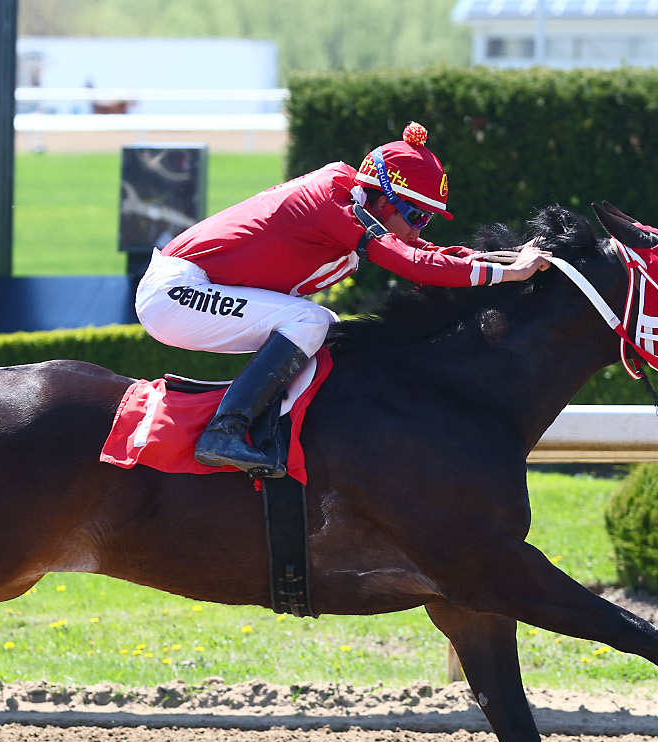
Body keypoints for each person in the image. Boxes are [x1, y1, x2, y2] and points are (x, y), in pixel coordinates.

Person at [134, 121, 551, 478]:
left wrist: (509, 260)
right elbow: (414, 265)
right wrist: (510, 272)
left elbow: (426, 255)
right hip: (174, 292)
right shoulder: (330, 202)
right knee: (310, 321)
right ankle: (223, 432)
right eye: (417, 216)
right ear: (385, 198)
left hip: (193, 290)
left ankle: (276, 431)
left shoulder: (349, 202)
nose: (418, 230)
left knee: (326, 327)